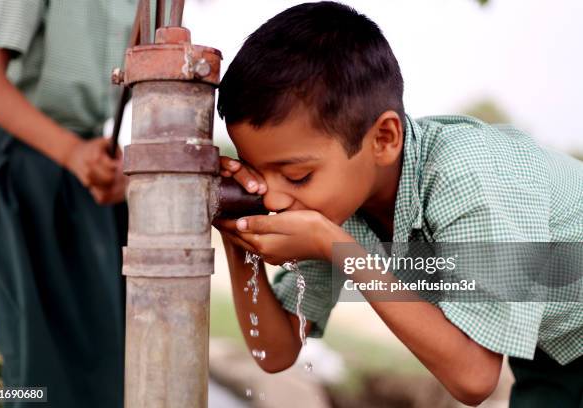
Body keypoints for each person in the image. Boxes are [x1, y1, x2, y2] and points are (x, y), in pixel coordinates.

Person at [212, 2, 583, 406]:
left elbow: (475, 377)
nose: (277, 198)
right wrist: (238, 230)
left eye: (298, 175)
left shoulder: (468, 177)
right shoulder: (337, 207)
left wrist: (339, 250)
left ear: (384, 139)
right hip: (556, 354)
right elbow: (277, 352)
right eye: (260, 177)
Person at [0, 0, 136, 406]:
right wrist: (70, 154)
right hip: (25, 165)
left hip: (95, 169)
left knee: (110, 366)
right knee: (37, 373)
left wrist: (124, 170)